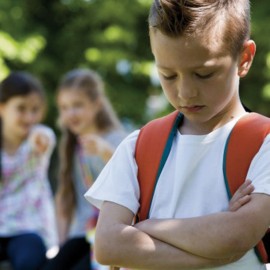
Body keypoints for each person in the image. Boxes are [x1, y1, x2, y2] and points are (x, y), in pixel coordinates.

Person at [84, 1, 270, 269]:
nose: (185, 92)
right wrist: (215, 242)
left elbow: (237, 235)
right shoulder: (139, 146)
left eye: (204, 74)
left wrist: (146, 227)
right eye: (168, 75)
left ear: (244, 58)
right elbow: (108, 246)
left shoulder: (262, 143)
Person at [42, 68, 127, 270]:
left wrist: (106, 153)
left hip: (108, 234)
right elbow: (64, 199)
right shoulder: (72, 146)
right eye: (64, 107)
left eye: (77, 105)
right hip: (81, 233)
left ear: (97, 104)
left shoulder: (119, 140)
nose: (70, 113)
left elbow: (132, 182)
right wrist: (61, 244)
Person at [0, 71, 58, 270]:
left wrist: (40, 141)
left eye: (35, 110)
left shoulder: (38, 139)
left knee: (29, 261)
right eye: (21, 109)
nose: (29, 116)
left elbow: (44, 137)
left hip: (28, 228)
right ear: (2, 107)